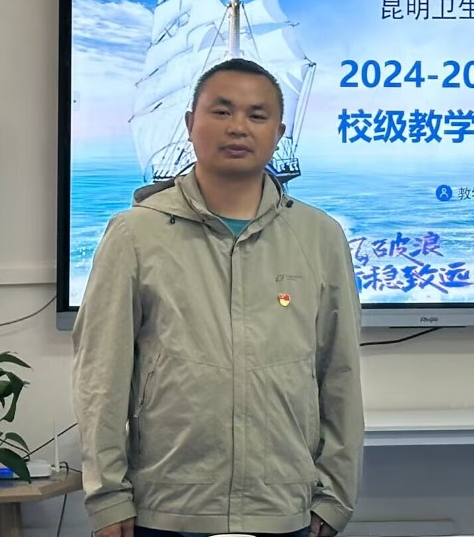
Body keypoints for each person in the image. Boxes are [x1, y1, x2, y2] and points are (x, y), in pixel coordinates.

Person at [72, 58, 364, 537]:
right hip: (165, 507)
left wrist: (335, 497)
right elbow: (101, 375)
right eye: (222, 111)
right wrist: (108, 497)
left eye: (257, 115)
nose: (238, 127)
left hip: (284, 507)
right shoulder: (135, 234)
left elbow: (340, 373)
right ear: (191, 124)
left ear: (279, 133)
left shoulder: (320, 236)